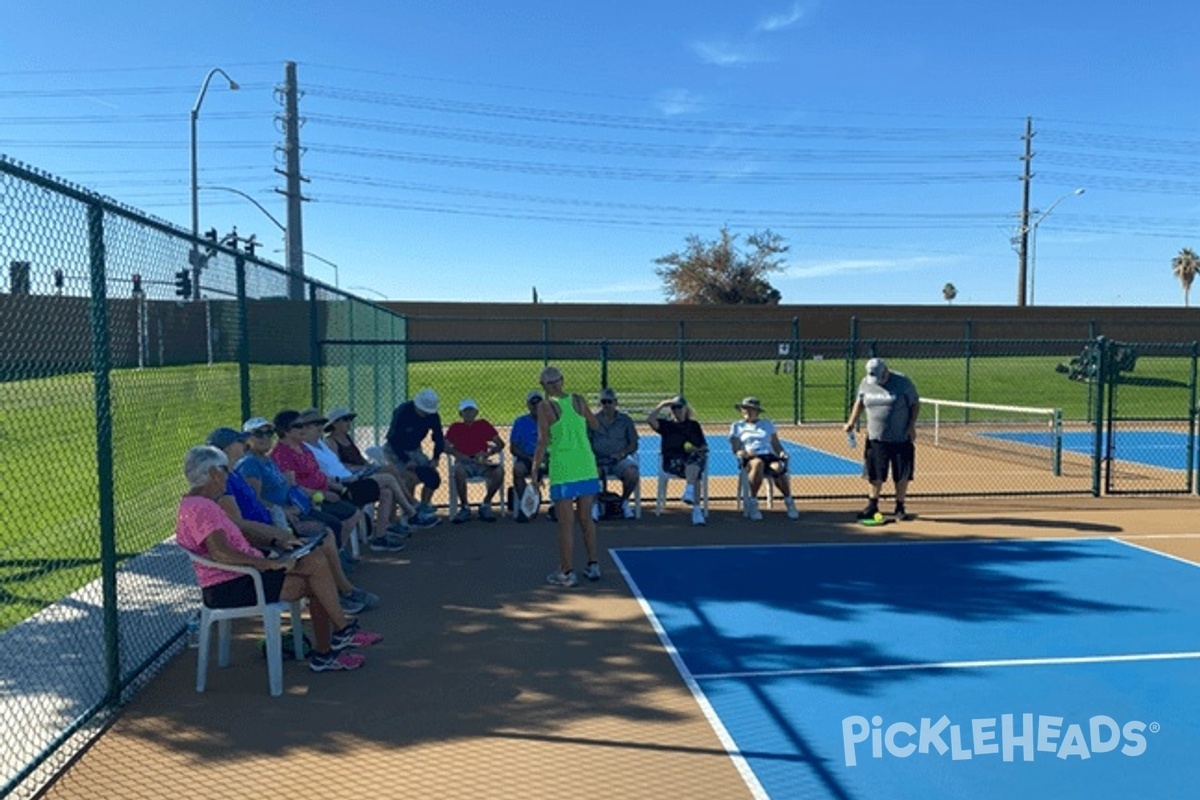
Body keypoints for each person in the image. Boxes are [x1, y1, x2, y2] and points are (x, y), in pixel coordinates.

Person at [176, 445, 382, 673]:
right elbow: (220, 552)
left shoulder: (199, 504)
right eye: (225, 469)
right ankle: (334, 642)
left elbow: (234, 543)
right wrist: (269, 563)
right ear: (214, 473)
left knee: (315, 560)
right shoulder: (203, 508)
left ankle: (338, 638)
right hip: (233, 585)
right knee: (316, 573)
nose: (228, 475)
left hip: (244, 577)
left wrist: (276, 544)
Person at [207, 427, 378, 614]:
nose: (244, 445)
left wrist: (282, 516)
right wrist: (279, 530)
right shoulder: (228, 478)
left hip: (274, 525)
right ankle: (342, 596)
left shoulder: (234, 473)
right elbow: (239, 522)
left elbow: (257, 503)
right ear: (226, 449)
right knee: (319, 551)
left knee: (325, 535)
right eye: (239, 442)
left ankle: (344, 592)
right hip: (263, 537)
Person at [531, 365, 602, 587]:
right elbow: (595, 424)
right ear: (562, 381)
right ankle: (593, 565)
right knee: (586, 519)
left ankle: (566, 572)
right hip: (586, 465)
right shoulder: (579, 400)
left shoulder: (545, 406)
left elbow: (543, 440)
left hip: (563, 468)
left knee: (565, 524)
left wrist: (535, 468)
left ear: (544, 386)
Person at [270, 409, 372, 552]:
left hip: (323, 491)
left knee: (354, 512)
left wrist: (337, 487)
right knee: (335, 523)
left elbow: (317, 473)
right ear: (285, 431)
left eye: (304, 425)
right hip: (306, 501)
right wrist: (321, 495)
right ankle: (336, 555)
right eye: (299, 426)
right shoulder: (282, 454)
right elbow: (292, 487)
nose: (304, 429)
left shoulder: (303, 447)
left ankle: (339, 551)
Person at [324, 407, 434, 531]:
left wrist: (368, 466)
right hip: (353, 477)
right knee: (390, 472)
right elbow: (337, 466)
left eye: (350, 419)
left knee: (390, 485)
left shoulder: (347, 437)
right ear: (334, 423)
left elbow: (359, 458)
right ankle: (412, 506)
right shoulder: (330, 442)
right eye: (345, 420)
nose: (349, 423)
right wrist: (362, 468)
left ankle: (392, 522)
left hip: (362, 471)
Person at [843, 357, 920, 520]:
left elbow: (915, 403)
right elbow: (860, 402)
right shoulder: (866, 383)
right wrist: (851, 422)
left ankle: (900, 507)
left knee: (901, 474)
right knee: (875, 473)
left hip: (900, 437)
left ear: (886, 371)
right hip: (876, 437)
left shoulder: (903, 382)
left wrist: (911, 425)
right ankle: (872, 505)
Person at [729, 397, 800, 521]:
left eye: (751, 409)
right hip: (750, 457)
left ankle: (789, 501)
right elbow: (735, 447)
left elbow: (776, 444)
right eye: (745, 409)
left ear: (757, 411)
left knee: (778, 467)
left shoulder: (767, 424)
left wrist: (782, 453)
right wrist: (742, 452)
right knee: (758, 464)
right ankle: (753, 502)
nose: (747, 412)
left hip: (768, 455)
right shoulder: (737, 426)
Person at [384, 388, 445, 523]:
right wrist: (406, 460)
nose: (425, 414)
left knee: (432, 477)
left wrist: (435, 458)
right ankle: (409, 513)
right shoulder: (402, 412)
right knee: (408, 478)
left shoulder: (433, 416)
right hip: (395, 450)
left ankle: (423, 506)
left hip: (414, 449)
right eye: (423, 411)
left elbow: (439, 438)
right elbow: (393, 439)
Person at [647, 395, 708, 526]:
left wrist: (694, 448)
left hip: (691, 460)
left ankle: (690, 492)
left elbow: (704, 447)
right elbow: (650, 420)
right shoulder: (666, 425)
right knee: (696, 473)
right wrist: (662, 405)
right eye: (674, 408)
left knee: (695, 461)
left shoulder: (693, 425)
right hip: (672, 461)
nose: (676, 411)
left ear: (686, 409)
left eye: (679, 408)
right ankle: (696, 509)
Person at [444, 398, 506, 523]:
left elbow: (500, 444)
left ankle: (485, 504)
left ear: (476, 412)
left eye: (471, 411)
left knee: (499, 472)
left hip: (482, 462)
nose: (468, 414)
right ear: (460, 414)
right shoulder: (455, 427)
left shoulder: (483, 425)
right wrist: (459, 455)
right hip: (464, 463)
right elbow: (444, 446)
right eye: (465, 411)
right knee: (459, 471)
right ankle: (465, 507)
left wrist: (488, 453)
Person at [588, 387, 639, 519]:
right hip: (598, 460)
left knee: (632, 473)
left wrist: (622, 453)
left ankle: (624, 502)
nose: (607, 405)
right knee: (592, 473)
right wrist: (591, 457)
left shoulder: (626, 420)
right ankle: (594, 506)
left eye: (609, 402)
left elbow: (633, 443)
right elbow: (586, 442)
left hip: (619, 460)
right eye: (604, 402)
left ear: (616, 402)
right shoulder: (592, 420)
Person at [509, 390, 546, 523]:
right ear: (528, 405)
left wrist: (542, 457)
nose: (536, 406)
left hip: (547, 458)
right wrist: (529, 458)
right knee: (517, 470)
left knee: (561, 469)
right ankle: (527, 506)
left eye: (539, 403)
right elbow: (513, 448)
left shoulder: (551, 421)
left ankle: (556, 508)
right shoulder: (520, 422)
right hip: (527, 458)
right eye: (533, 403)